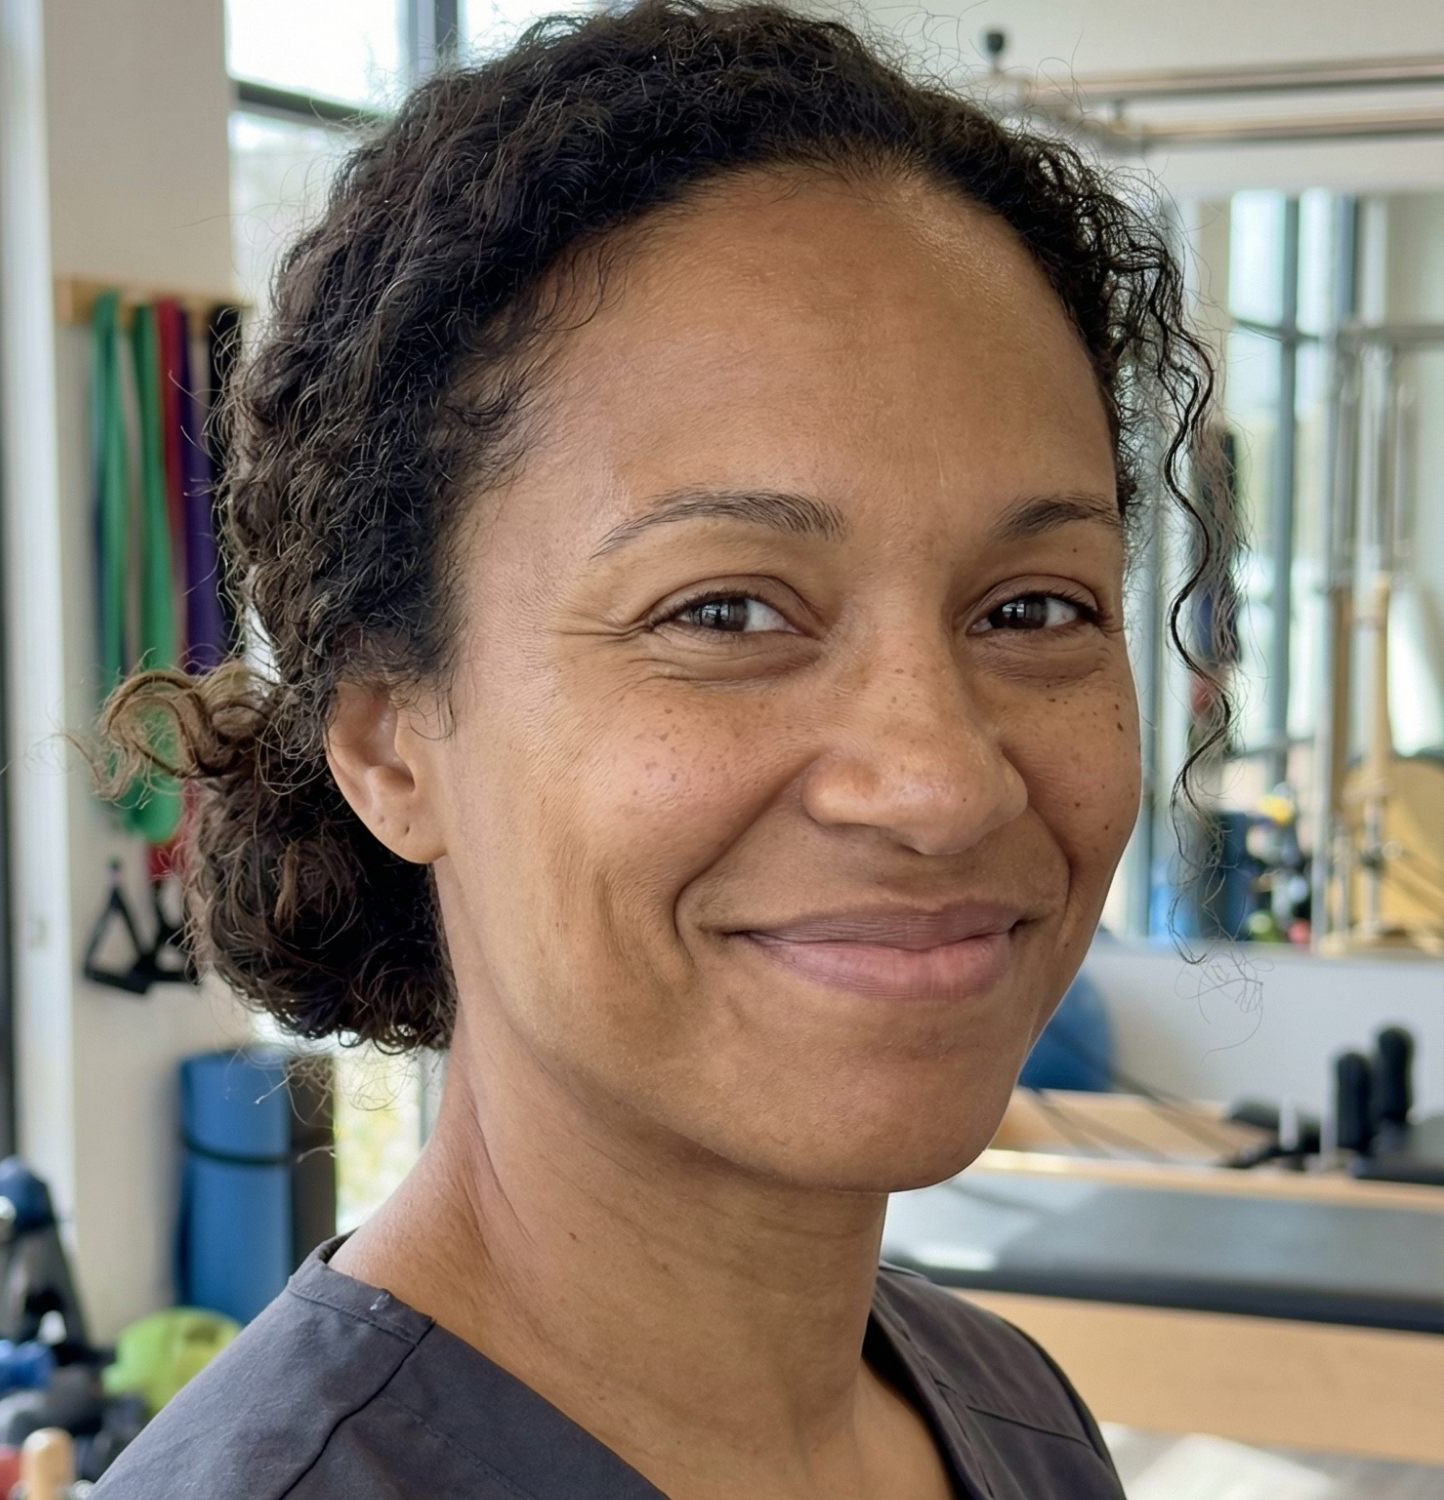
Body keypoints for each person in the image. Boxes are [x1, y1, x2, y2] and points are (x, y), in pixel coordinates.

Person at [95, 3, 1225, 1495]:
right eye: (725, 610)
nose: (943, 784)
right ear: (388, 745)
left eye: (1033, 607)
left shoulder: (1012, 1415)